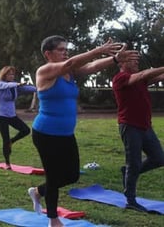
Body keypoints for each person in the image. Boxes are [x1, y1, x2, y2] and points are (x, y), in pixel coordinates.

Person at [28, 35, 138, 227]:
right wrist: (97, 50)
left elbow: (91, 67)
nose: (65, 52)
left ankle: (38, 191)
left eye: (66, 49)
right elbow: (72, 62)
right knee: (53, 176)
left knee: (72, 175)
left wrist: (114, 59)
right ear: (48, 54)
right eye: (61, 49)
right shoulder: (44, 71)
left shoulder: (70, 72)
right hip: (46, 133)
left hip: (66, 134)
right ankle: (53, 219)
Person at [112, 56, 164, 212]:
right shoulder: (120, 78)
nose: (137, 62)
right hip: (130, 126)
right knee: (133, 163)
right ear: (121, 63)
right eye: (132, 60)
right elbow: (143, 74)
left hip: (145, 127)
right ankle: (130, 200)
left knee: (159, 158)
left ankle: (126, 172)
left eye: (137, 60)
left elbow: (158, 76)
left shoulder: (140, 80)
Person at [0, 66, 36, 169]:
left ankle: (11, 141)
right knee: (5, 139)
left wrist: (42, 87)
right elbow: (5, 86)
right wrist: (17, 84)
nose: (12, 76)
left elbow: (30, 88)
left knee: (26, 130)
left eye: (13, 74)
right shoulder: (0, 84)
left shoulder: (15, 87)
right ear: (4, 75)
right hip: (1, 116)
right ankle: (7, 163)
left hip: (12, 116)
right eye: (9, 74)